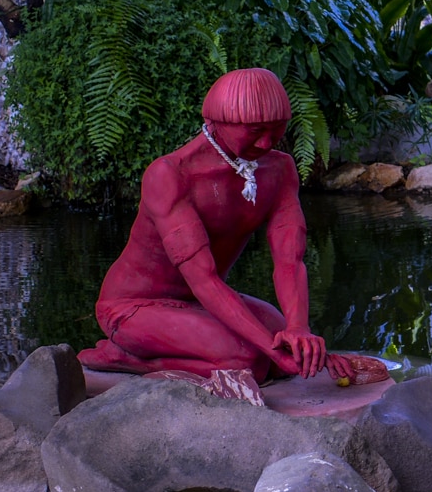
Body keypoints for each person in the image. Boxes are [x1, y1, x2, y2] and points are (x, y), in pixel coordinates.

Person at [78, 67, 382, 392]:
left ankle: (225, 351)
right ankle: (128, 357)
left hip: (195, 303)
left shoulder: (279, 170)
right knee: (248, 361)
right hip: (133, 306)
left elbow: (289, 260)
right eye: (254, 130)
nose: (266, 142)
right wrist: (270, 349)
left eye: (276, 130)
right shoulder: (170, 175)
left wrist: (298, 329)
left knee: (280, 337)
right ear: (214, 122)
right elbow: (203, 279)